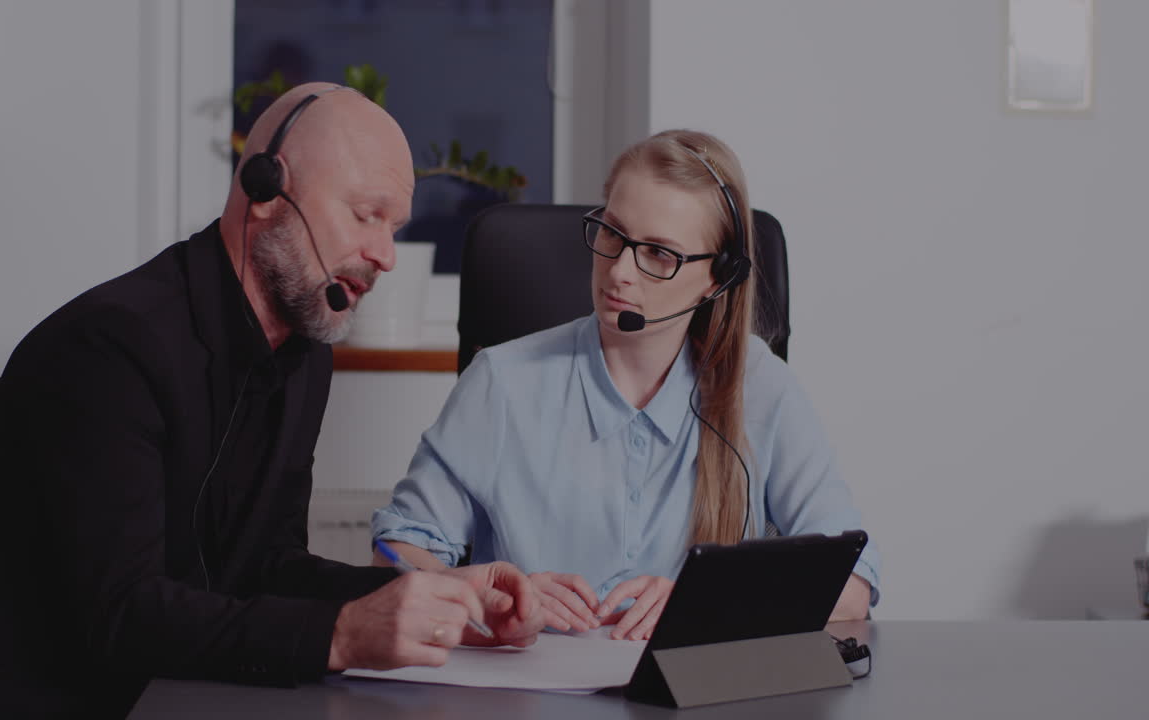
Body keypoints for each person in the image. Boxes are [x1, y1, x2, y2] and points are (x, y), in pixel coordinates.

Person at [0, 83, 542, 719]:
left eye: (393, 227)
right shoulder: (109, 348)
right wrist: (341, 634)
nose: (386, 255)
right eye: (365, 214)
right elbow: (121, 615)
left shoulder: (303, 352)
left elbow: (267, 566)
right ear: (266, 191)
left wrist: (424, 594)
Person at [372, 129, 879, 641]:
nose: (619, 272)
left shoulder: (760, 386)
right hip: (529, 681)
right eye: (612, 233)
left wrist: (705, 604)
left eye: (658, 253)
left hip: (689, 685)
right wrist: (484, 593)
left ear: (717, 277)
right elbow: (394, 553)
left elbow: (853, 584)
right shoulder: (501, 382)